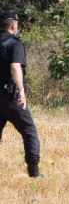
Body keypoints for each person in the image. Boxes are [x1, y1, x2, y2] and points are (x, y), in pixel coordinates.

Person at [0, 12, 42, 177]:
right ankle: (34, 171)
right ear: (13, 26)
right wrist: (21, 91)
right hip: (10, 96)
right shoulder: (14, 44)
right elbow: (15, 67)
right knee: (29, 130)